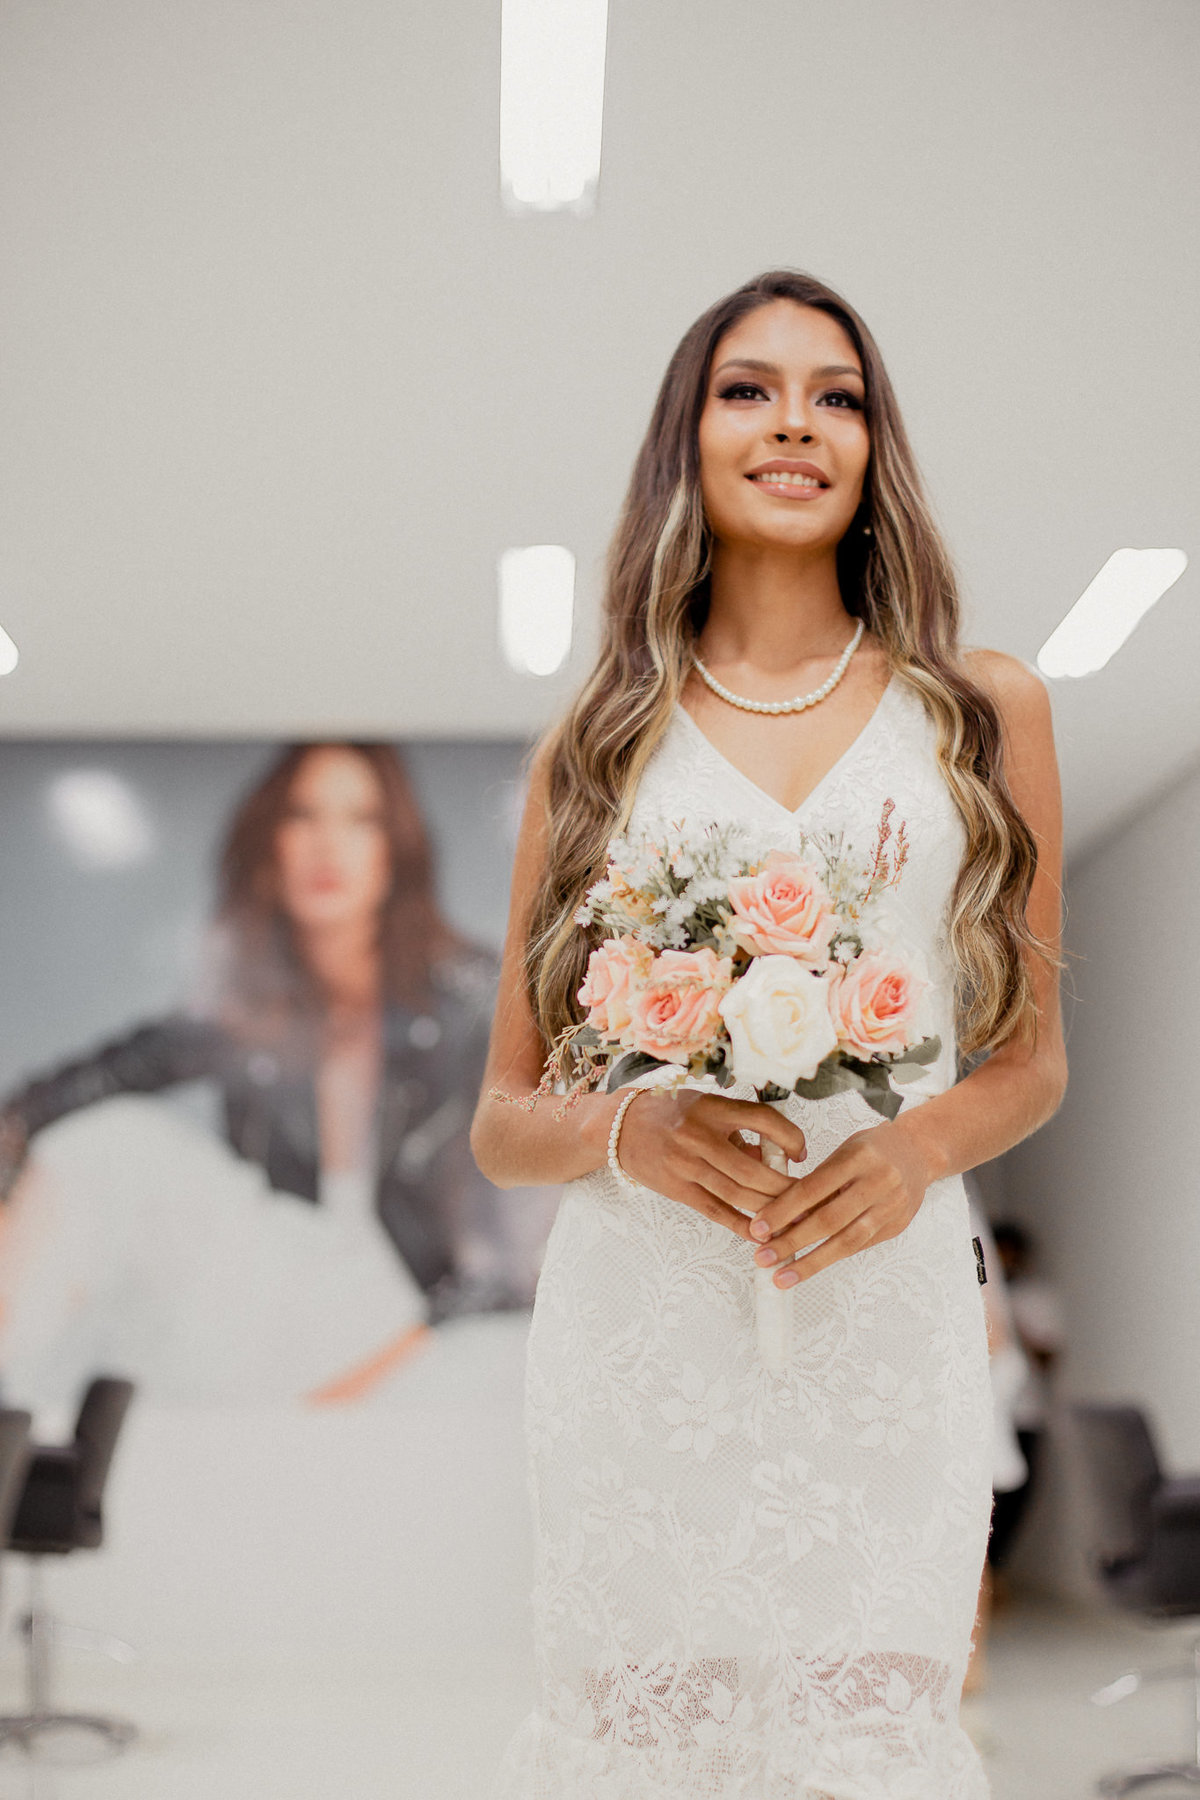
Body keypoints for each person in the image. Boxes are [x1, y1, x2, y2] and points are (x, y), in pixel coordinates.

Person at [471, 269, 1066, 1795]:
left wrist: (916, 1150)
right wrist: (630, 1125)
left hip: (883, 1315)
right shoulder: (594, 742)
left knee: (870, 1744)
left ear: (874, 446)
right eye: (749, 389)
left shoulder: (982, 709)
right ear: (689, 435)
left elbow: (1030, 1061)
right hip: (642, 1334)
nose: (796, 423)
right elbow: (503, 1121)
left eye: (837, 396)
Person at [0, 742, 543, 1339]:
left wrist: (427, 1336)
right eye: (302, 816)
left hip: (424, 1319)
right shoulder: (242, 1006)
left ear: (395, 848)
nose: (327, 844)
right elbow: (52, 1101)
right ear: (271, 845)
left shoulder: (470, 999)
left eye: (360, 819)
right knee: (115, 1141)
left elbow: (523, 1214)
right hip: (278, 1303)